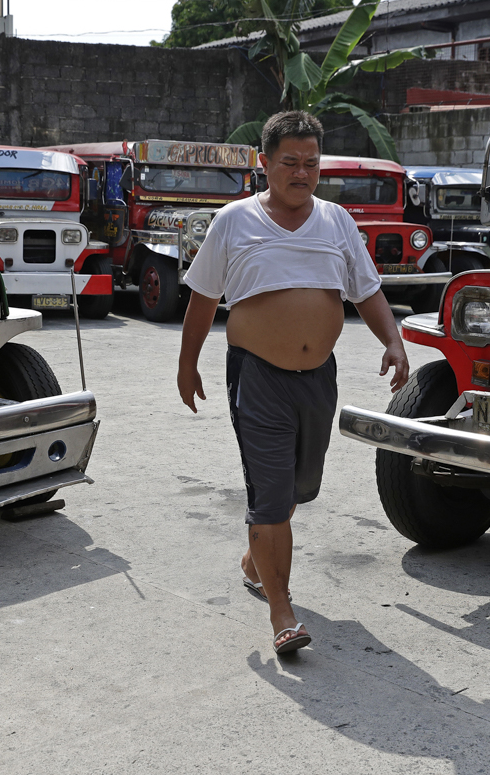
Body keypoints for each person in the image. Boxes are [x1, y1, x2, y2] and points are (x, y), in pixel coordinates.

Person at [177, 111, 410, 655]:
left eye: (311, 163)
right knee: (272, 496)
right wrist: (187, 364)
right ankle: (283, 611)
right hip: (257, 375)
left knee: (296, 488)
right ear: (264, 164)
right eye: (290, 163)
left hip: (317, 380)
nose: (302, 173)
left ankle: (255, 558)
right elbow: (202, 298)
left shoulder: (336, 221)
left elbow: (367, 290)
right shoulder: (234, 220)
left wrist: (393, 340)